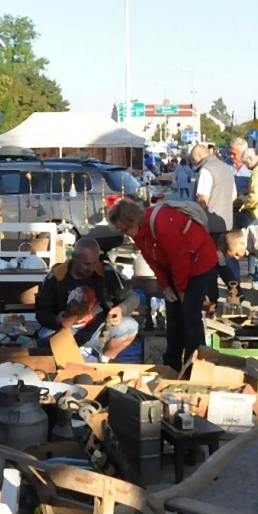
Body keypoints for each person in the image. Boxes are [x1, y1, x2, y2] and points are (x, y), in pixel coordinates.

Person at [108, 197, 218, 372]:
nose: (125, 233)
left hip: (199, 262)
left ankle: (195, 365)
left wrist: (181, 289)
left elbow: (179, 258)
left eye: (125, 229)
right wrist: (166, 287)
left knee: (190, 315)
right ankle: (171, 365)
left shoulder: (163, 223)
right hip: (174, 267)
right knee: (173, 317)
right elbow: (152, 260)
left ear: (133, 221)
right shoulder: (139, 234)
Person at [34, 236, 139, 362]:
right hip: (66, 332)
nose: (91, 267)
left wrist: (121, 309)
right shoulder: (56, 276)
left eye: (94, 262)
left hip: (97, 331)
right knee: (44, 335)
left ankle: (104, 361)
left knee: (130, 326)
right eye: (86, 264)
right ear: (74, 257)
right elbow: (42, 312)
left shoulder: (106, 272)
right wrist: (57, 320)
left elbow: (133, 297)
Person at [191, 142, 239, 294]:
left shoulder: (206, 169)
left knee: (209, 260)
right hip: (226, 221)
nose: (194, 164)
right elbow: (234, 196)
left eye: (193, 160)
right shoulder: (226, 167)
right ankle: (236, 291)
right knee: (220, 259)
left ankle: (212, 296)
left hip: (209, 223)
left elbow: (202, 199)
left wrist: (193, 216)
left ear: (199, 156)